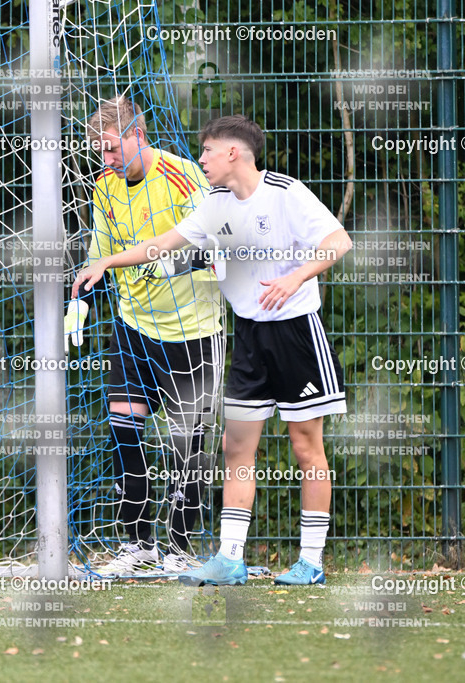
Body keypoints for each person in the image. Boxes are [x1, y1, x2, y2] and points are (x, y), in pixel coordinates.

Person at [73, 115, 352, 586]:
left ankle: (311, 561)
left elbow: (337, 241)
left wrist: (295, 276)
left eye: (207, 150)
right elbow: (163, 245)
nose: (199, 158)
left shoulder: (286, 192)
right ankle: (229, 557)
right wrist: (106, 261)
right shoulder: (216, 205)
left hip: (296, 335)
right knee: (235, 447)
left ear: (233, 153)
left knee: (307, 447)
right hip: (247, 337)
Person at [66, 95, 225, 576]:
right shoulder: (104, 187)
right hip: (134, 326)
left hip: (193, 331)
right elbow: (101, 252)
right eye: (100, 152)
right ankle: (139, 545)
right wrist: (80, 302)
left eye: (113, 149)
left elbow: (217, 245)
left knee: (186, 443)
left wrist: (161, 263)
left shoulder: (183, 177)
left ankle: (179, 548)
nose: (107, 160)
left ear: (138, 135)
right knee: (124, 429)